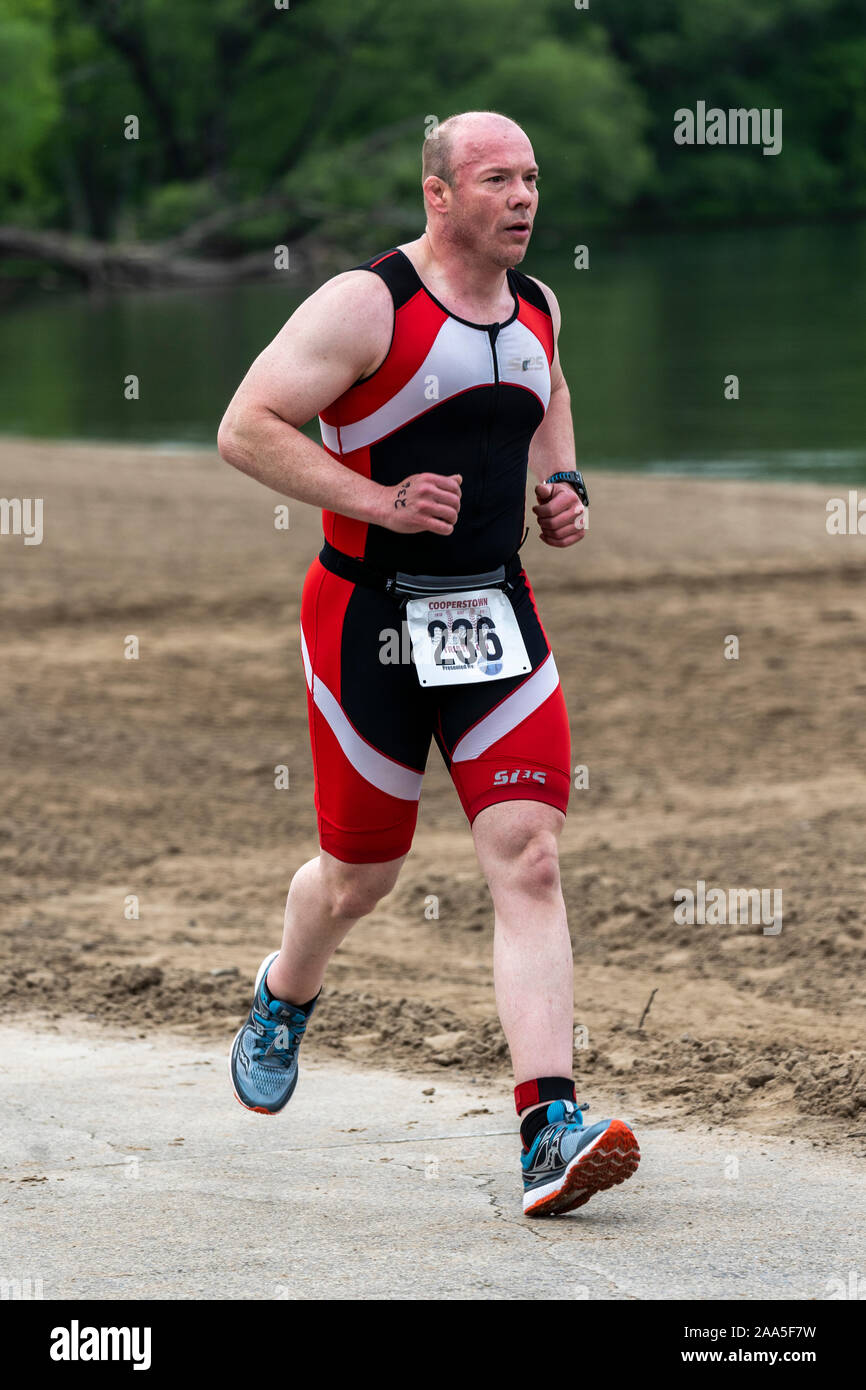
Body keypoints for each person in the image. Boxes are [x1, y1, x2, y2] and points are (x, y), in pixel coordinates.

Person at [217, 110, 639, 1216]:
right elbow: (247, 425)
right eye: (497, 178)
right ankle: (282, 989)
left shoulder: (538, 304)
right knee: (361, 873)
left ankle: (547, 1126)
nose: (523, 197)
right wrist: (378, 502)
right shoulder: (367, 304)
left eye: (532, 179)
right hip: (369, 621)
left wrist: (565, 487)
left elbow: (545, 392)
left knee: (529, 853)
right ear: (438, 195)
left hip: (494, 609)